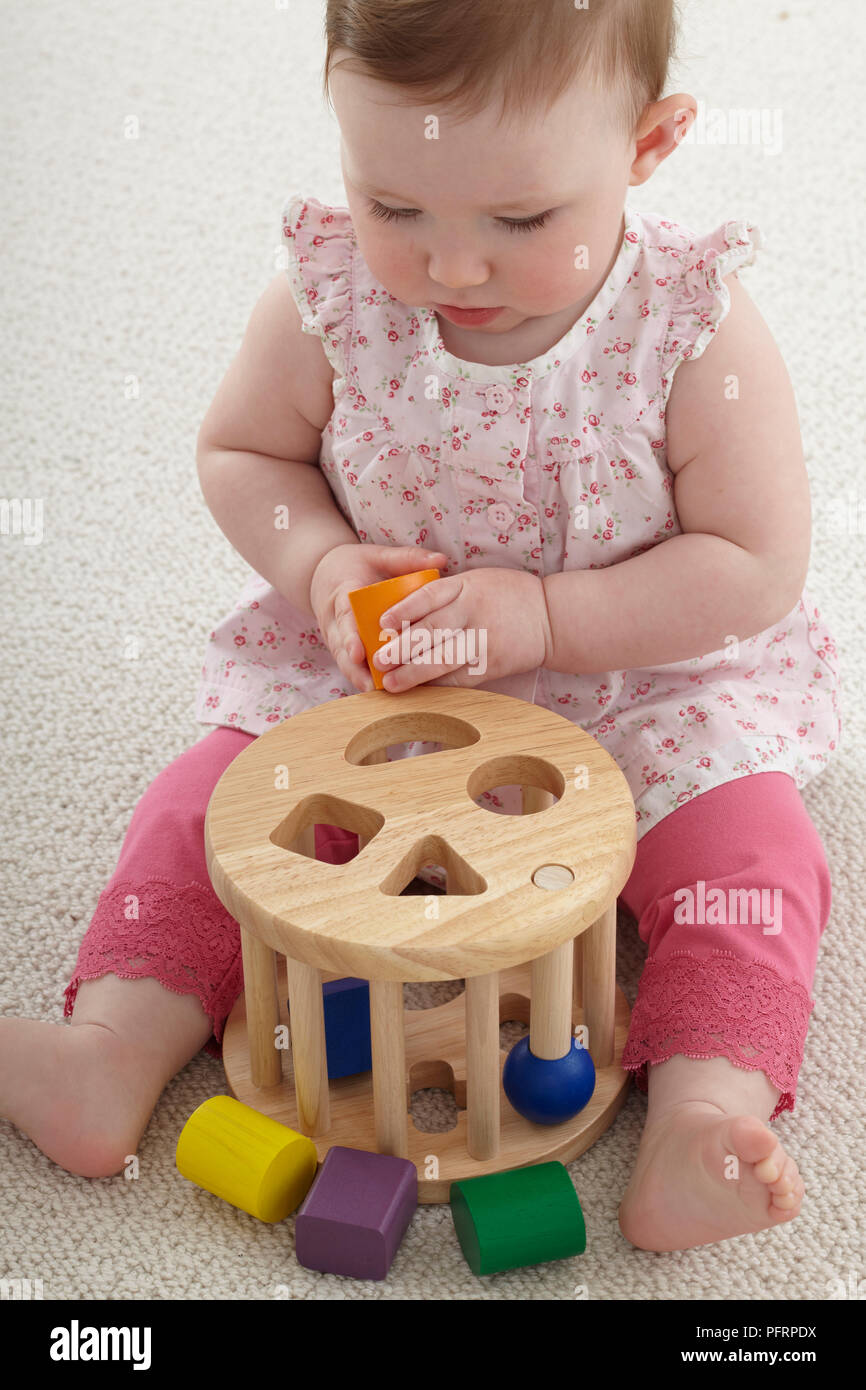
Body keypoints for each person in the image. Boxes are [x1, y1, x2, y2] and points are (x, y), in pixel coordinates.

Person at [0, 0, 840, 1253]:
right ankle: (109, 1050)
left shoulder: (688, 327)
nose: (450, 268)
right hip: (382, 685)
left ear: (647, 145)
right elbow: (243, 452)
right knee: (210, 807)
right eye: (394, 206)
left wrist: (550, 614)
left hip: (636, 687)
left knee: (753, 859)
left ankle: (700, 1118)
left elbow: (751, 561)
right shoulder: (332, 299)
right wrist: (321, 561)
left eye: (519, 219)